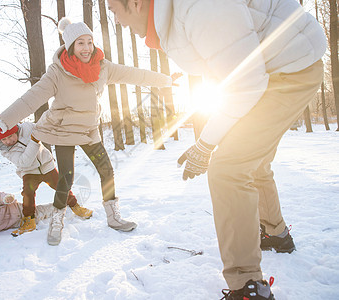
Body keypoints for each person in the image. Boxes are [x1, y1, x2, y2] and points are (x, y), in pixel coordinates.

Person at [107, 0, 326, 298]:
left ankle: (247, 286)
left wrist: (206, 144)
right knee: (250, 158)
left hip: (290, 68)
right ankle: (276, 234)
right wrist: (212, 133)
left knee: (229, 169)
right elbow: (225, 70)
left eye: (113, 10)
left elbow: (245, 82)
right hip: (274, 68)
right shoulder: (172, 17)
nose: (115, 19)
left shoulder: (198, 6)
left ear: (133, 3)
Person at [0, 17, 179, 246]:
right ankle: (57, 221)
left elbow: (134, 74)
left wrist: (165, 80)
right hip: (63, 130)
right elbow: (30, 99)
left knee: (106, 169)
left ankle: (113, 217)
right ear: (70, 46)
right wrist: (4, 121)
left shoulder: (103, 67)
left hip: (88, 129)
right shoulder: (57, 72)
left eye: (89, 42)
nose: (86, 48)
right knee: (65, 178)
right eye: (80, 43)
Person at [0, 121, 93, 237]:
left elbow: (42, 128)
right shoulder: (5, 151)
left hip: (46, 166)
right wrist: (34, 141)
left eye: (9, 136)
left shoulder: (27, 128)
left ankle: (75, 206)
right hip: (29, 171)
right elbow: (24, 162)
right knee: (28, 193)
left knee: (61, 187)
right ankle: (29, 219)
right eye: (3, 140)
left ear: (15, 130)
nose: (7, 141)